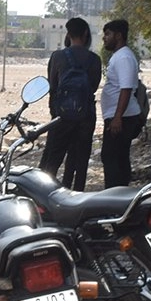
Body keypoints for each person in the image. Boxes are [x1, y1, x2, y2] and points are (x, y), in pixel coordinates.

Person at [38, 17, 101, 190]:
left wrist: (55, 113)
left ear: (68, 34)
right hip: (86, 117)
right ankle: (76, 197)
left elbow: (52, 86)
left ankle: (43, 197)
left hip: (61, 117)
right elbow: (93, 87)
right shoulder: (94, 59)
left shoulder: (58, 56)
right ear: (86, 33)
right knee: (79, 164)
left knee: (51, 161)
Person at [99, 19, 143, 188]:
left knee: (111, 158)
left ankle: (115, 198)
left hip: (122, 118)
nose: (105, 38)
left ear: (118, 35)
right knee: (118, 157)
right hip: (120, 116)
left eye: (108, 34)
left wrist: (117, 117)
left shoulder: (123, 57)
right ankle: (120, 196)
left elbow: (125, 89)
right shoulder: (119, 56)